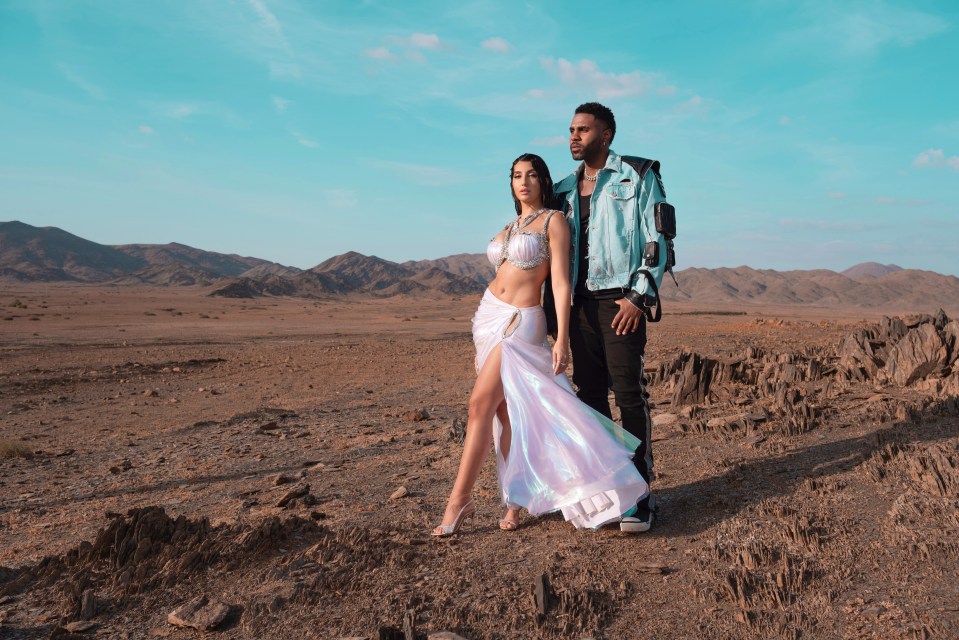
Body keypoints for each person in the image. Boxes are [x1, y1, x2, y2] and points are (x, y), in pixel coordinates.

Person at [432, 153, 648, 537]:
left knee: (478, 404)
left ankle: (458, 500)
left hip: (521, 321)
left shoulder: (554, 220)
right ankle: (515, 499)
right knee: (505, 413)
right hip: (488, 319)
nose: (524, 181)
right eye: (517, 175)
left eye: (532, 175)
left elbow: (561, 283)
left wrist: (561, 338)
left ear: (543, 181)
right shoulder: (509, 226)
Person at [551, 102, 671, 534]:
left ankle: (639, 494)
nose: (574, 137)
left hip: (621, 303)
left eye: (583, 130)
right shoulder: (561, 191)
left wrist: (638, 299)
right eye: (570, 130)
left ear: (607, 135)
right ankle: (608, 489)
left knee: (629, 395)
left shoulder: (638, 175)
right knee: (590, 400)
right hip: (578, 308)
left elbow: (658, 240)